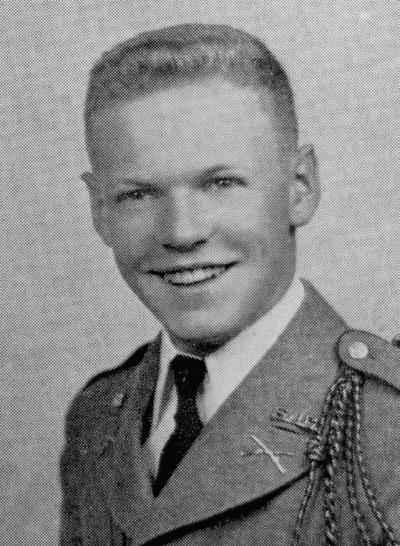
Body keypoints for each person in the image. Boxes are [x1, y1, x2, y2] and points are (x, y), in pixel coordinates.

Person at [60, 23, 399, 546]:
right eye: (138, 195)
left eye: (220, 183)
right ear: (98, 209)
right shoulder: (97, 419)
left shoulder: (385, 423)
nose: (182, 233)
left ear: (299, 187)